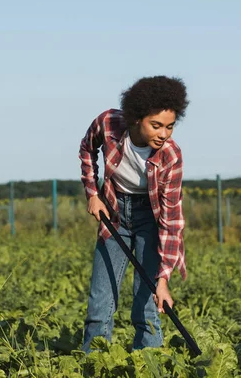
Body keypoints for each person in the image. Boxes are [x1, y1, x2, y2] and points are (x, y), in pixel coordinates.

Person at [79, 76, 189, 352]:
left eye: (170, 126)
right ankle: (95, 363)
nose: (164, 134)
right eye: (156, 125)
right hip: (114, 215)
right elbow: (87, 149)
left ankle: (149, 363)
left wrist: (162, 281)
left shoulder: (171, 156)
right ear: (137, 118)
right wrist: (93, 193)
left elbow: (171, 220)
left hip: (150, 221)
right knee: (100, 303)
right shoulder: (108, 124)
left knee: (147, 305)